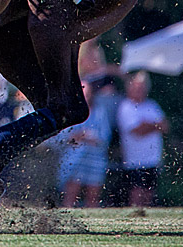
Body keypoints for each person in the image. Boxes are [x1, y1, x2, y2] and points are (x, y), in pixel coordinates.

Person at [50, 78, 111, 207]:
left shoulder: (99, 112)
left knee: (93, 196)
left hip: (95, 159)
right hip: (75, 159)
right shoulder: (69, 112)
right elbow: (61, 137)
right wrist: (76, 136)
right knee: (71, 193)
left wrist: (87, 137)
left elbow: (105, 137)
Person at [116, 71, 169, 207]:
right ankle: (135, 216)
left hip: (152, 159)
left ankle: (146, 218)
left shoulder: (152, 105)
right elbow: (137, 131)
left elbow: (165, 126)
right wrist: (154, 126)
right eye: (136, 86)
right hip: (134, 160)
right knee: (136, 191)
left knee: (149, 192)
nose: (139, 90)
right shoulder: (125, 107)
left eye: (142, 87)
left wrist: (148, 125)